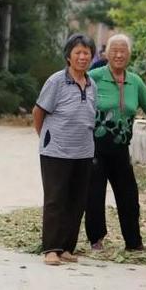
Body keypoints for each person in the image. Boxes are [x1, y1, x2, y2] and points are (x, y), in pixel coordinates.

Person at [85, 33, 146, 251]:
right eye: (114, 50)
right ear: (106, 53)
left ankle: (134, 242)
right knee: (94, 195)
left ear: (129, 55)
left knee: (129, 196)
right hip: (94, 148)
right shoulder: (94, 77)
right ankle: (96, 239)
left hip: (121, 149)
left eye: (123, 50)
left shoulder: (135, 81)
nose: (118, 54)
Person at [32, 33, 97, 266]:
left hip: (84, 152)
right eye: (78, 52)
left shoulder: (92, 84)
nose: (82, 57)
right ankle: (51, 248)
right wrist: (47, 138)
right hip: (56, 152)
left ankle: (67, 247)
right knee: (55, 200)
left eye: (86, 53)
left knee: (77, 201)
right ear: (68, 56)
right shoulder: (56, 81)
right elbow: (38, 112)